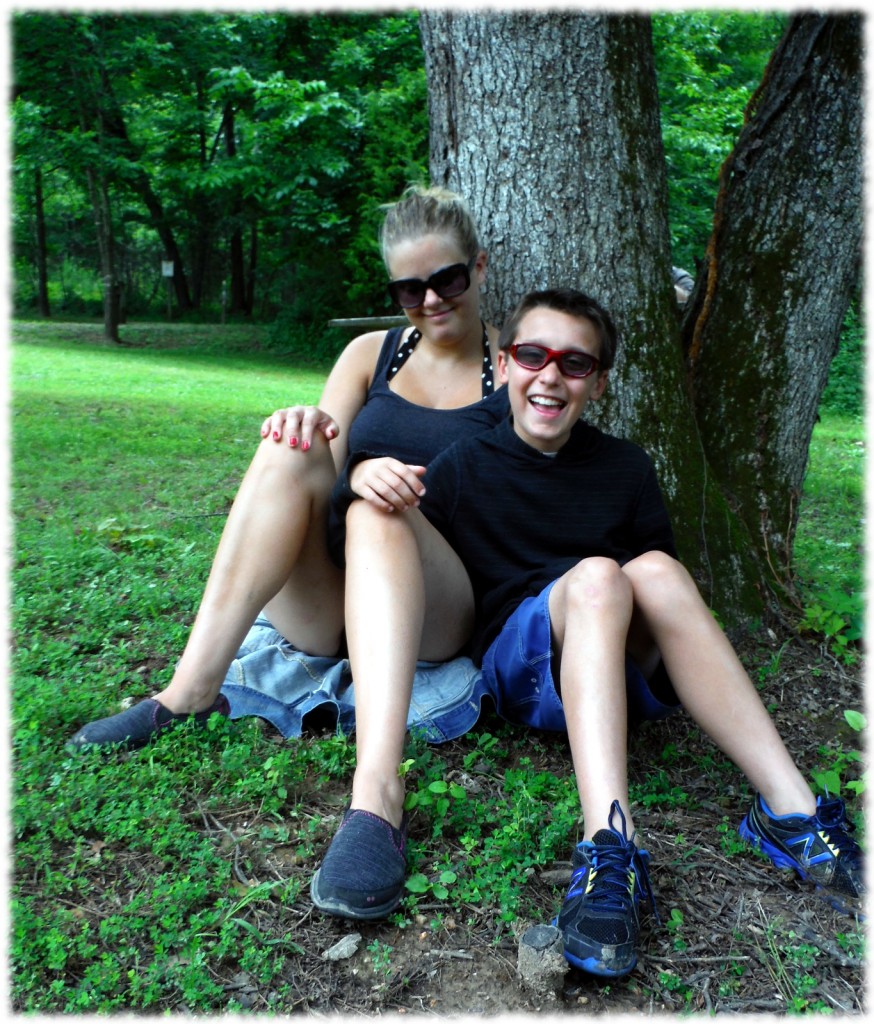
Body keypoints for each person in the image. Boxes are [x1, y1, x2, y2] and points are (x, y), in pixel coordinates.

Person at [319, 286, 864, 978]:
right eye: (532, 355)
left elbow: (657, 603)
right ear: (509, 364)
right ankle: (609, 846)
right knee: (604, 575)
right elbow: (399, 562)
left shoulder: (627, 469)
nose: (550, 376)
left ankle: (790, 811)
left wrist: (612, 594)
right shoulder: (464, 464)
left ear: (599, 383)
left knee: (658, 570)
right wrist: (362, 474)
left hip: (608, 667)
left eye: (575, 364)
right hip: (519, 664)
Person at [65, 185, 509, 752]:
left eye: (447, 279)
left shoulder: (512, 369)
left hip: (435, 606)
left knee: (381, 512)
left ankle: (375, 775)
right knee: (288, 444)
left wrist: (390, 489)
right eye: (408, 288)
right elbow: (325, 468)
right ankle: (187, 694)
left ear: (479, 266)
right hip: (332, 597)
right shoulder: (369, 354)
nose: (430, 300)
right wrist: (321, 442)